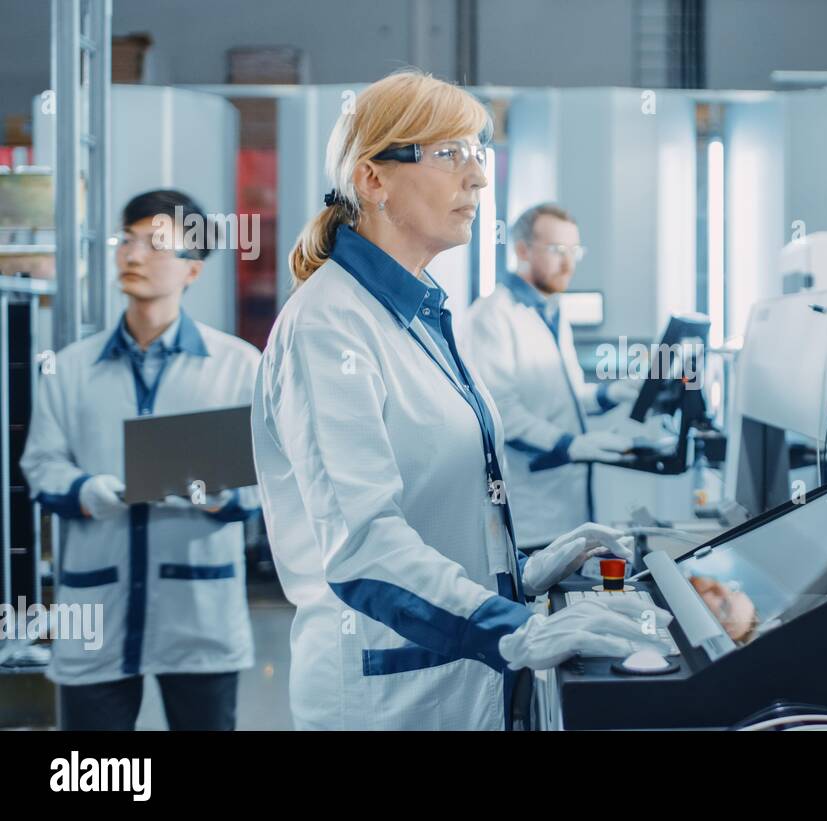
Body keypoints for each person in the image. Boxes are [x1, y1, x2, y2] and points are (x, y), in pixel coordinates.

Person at [251, 70, 670, 731]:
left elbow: (434, 512)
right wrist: (515, 628)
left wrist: (520, 572)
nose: (477, 178)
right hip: (383, 696)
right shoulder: (330, 325)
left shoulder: (421, 313)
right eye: (449, 154)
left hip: (454, 682)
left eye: (480, 154)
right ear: (373, 179)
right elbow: (365, 547)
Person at [20, 189, 261, 730]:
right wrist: (87, 491)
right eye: (126, 240)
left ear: (193, 270)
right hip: (96, 607)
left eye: (155, 245)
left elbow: (272, 479)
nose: (132, 255)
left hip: (199, 611)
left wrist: (222, 493)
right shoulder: (70, 368)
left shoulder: (239, 368)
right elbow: (42, 465)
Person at [465, 203, 642, 550]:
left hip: (568, 509)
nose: (569, 262)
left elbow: (565, 397)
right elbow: (501, 414)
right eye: (558, 250)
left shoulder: (552, 311)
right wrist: (569, 445)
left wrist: (611, 395)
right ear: (522, 251)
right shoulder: (492, 316)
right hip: (529, 516)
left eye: (575, 251)